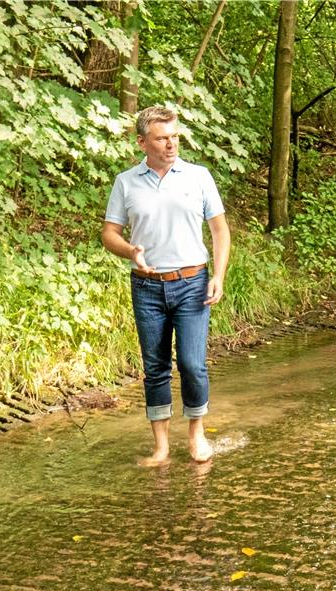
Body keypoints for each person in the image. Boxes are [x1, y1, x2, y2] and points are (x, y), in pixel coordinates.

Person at [102, 106, 231, 466]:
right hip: (147, 286)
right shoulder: (126, 182)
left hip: (192, 283)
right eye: (162, 138)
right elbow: (109, 234)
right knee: (155, 366)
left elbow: (220, 231)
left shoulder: (199, 176)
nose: (171, 143)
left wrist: (218, 276)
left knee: (191, 363)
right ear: (143, 142)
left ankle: (196, 435)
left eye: (175, 136)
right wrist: (130, 250)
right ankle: (160, 447)